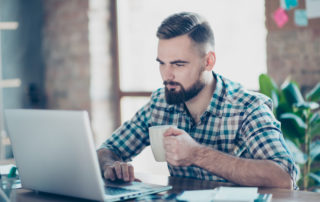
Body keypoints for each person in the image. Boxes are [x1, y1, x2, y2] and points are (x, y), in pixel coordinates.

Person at [97, 12, 297, 189]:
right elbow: (107, 150)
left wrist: (197, 154)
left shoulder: (247, 107)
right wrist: (111, 166)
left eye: (178, 64)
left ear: (208, 61)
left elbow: (284, 176)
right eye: (162, 63)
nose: (167, 75)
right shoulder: (160, 102)